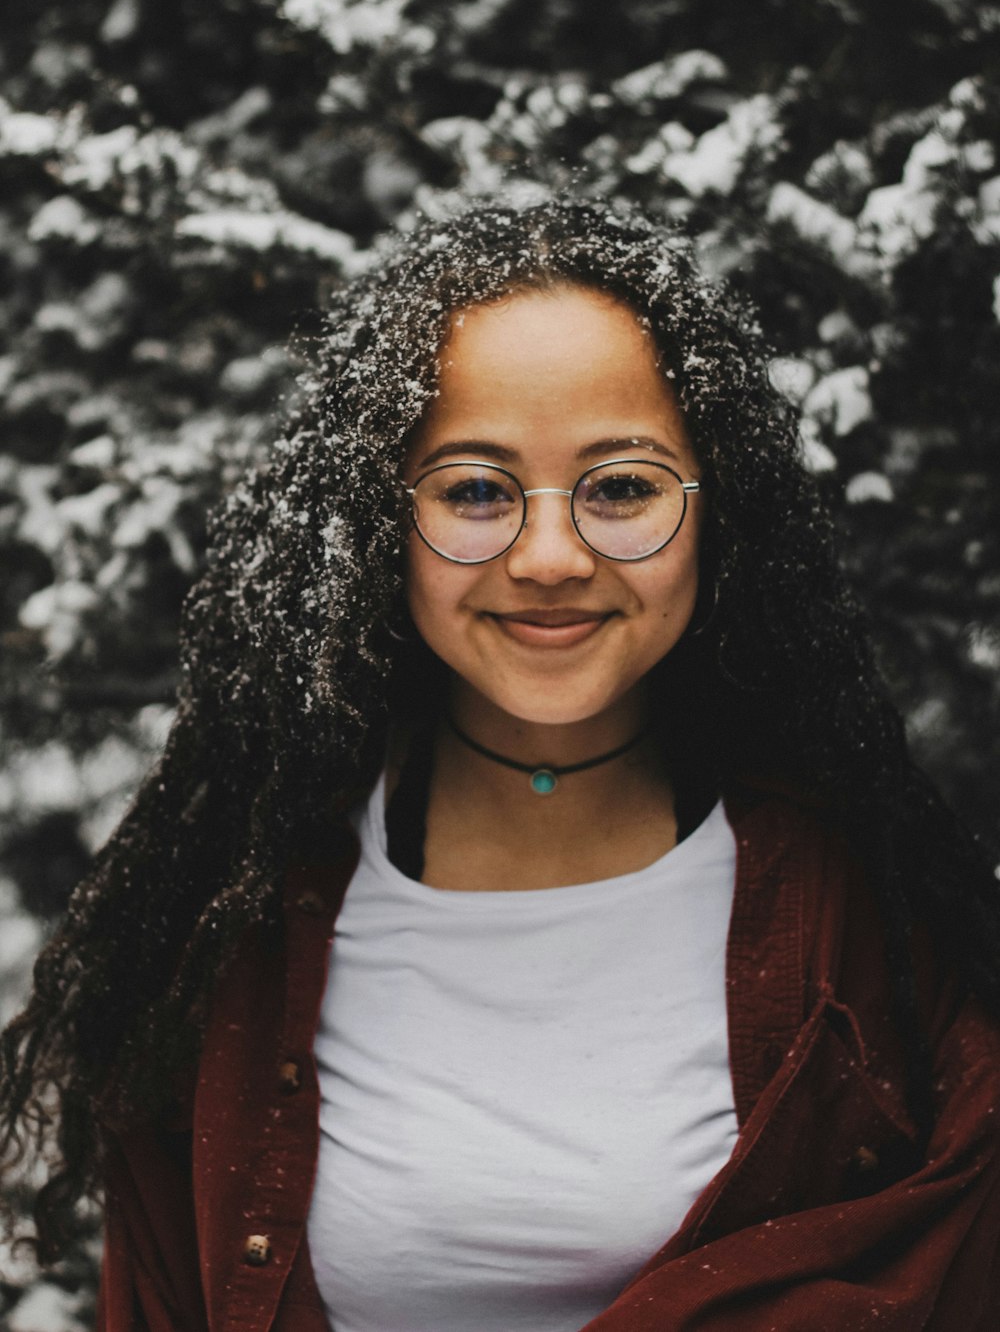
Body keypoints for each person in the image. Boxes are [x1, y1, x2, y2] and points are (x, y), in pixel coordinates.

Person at [2, 194, 999, 1331]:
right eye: (475, 490)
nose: (549, 556)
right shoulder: (238, 924)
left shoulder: (867, 926)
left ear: (720, 512)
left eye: (621, 486)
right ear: (382, 520)